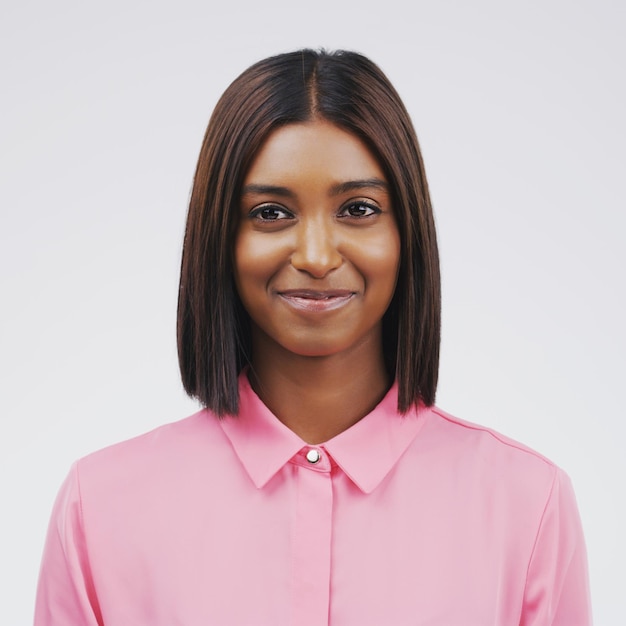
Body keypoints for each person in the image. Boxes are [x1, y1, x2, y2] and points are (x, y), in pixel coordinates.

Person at [34, 49, 592, 625]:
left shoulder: (528, 505)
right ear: (219, 238)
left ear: (408, 233)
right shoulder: (99, 508)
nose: (318, 257)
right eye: (271, 214)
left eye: (358, 208)